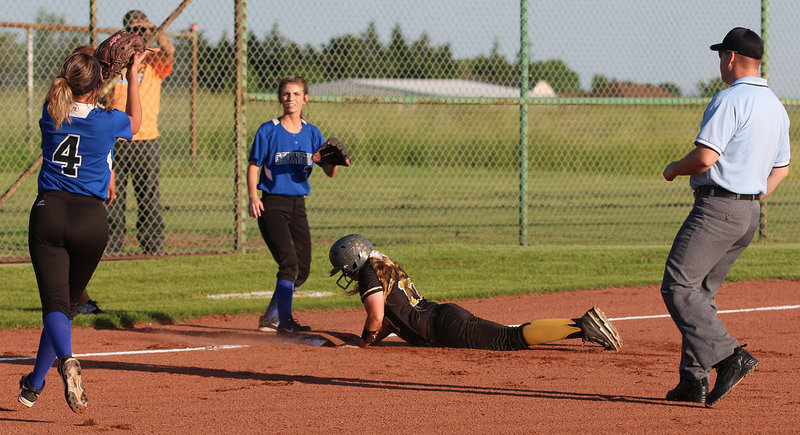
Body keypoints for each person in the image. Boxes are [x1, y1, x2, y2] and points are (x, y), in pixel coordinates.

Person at [661, 28, 790, 407]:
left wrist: (673, 169)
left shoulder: (730, 99)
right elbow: (781, 170)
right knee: (701, 293)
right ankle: (692, 381)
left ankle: (730, 356)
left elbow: (704, 158)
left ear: (731, 58)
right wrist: (749, 195)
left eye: (722, 55)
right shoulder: (776, 107)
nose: (721, 62)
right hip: (748, 211)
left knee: (678, 285)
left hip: (718, 209)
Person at [19, 49, 145, 412]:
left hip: (49, 212)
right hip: (91, 221)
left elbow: (75, 85)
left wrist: (96, 69)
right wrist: (131, 73)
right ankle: (34, 384)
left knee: (56, 306)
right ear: (99, 85)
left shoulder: (50, 112)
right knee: (65, 306)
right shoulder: (107, 120)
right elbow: (135, 121)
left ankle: (67, 361)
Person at [328, 234, 622, 351]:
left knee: (510, 338)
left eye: (344, 267)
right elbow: (389, 322)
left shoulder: (367, 273)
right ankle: (580, 326)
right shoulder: (381, 263)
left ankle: (581, 325)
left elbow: (377, 316)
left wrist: (363, 343)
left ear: (353, 260)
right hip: (443, 316)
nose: (345, 273)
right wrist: (370, 341)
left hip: (443, 326)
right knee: (508, 335)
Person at [248, 75, 340, 335]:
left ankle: (271, 318)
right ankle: (285, 323)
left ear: (305, 99)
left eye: (296, 94)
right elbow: (254, 165)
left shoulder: (312, 133)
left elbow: (329, 172)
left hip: (298, 205)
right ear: (280, 97)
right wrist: (253, 197)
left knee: (303, 268)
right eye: (286, 94)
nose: (291, 99)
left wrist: (335, 158)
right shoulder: (269, 130)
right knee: (289, 263)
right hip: (272, 205)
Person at [107, 9, 174, 255]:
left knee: (149, 196)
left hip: (146, 139)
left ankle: (152, 244)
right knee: (113, 196)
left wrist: (154, 29)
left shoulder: (154, 61)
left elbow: (170, 52)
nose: (138, 34)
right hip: (116, 138)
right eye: (133, 30)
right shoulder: (115, 62)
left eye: (142, 30)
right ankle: (111, 244)